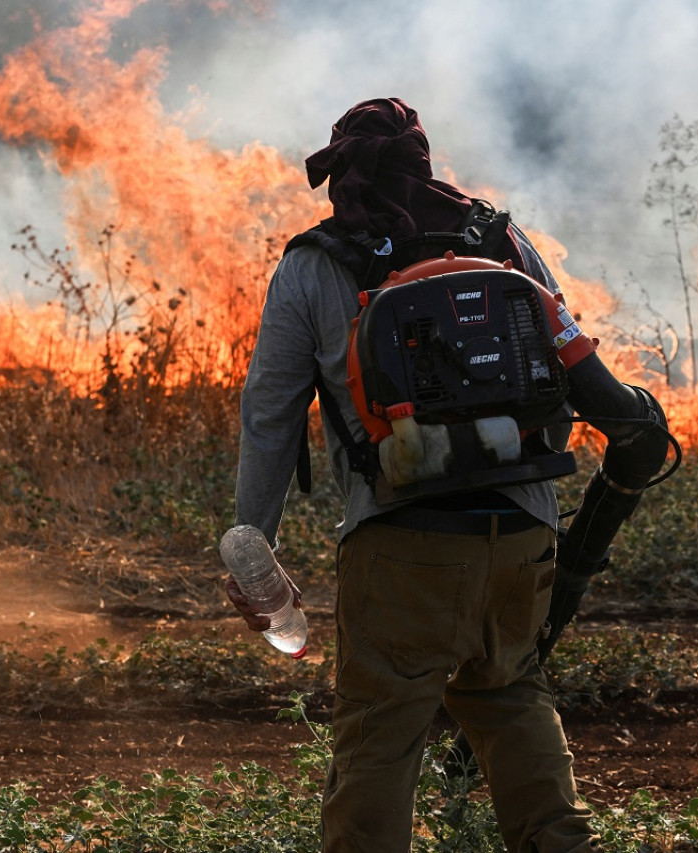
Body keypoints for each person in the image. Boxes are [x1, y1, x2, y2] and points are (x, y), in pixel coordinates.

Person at [229, 97, 602, 852]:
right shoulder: (502, 239)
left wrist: (253, 549)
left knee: (380, 734)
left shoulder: (312, 265)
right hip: (521, 534)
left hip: (402, 543)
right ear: (424, 162)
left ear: (341, 174)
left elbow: (271, 412)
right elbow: (567, 370)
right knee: (510, 696)